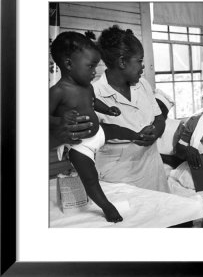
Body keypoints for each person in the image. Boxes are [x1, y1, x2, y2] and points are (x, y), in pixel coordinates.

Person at [50, 32, 146, 223]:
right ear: (69, 64)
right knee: (90, 178)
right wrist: (58, 121)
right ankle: (107, 207)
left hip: (98, 133)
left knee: (117, 130)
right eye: (91, 66)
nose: (95, 71)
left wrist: (108, 109)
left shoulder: (87, 86)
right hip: (80, 145)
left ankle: (136, 135)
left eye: (96, 65)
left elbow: (94, 103)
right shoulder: (58, 91)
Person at [93, 25, 169, 193]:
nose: (143, 66)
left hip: (152, 170)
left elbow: (159, 118)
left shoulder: (142, 85)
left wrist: (155, 131)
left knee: (160, 214)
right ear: (122, 62)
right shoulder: (94, 94)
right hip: (118, 177)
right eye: (139, 61)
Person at [154, 89, 185, 174]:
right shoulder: (144, 124)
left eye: (158, 106)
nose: (154, 109)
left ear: (166, 109)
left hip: (170, 171)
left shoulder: (177, 127)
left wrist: (153, 155)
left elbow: (179, 160)